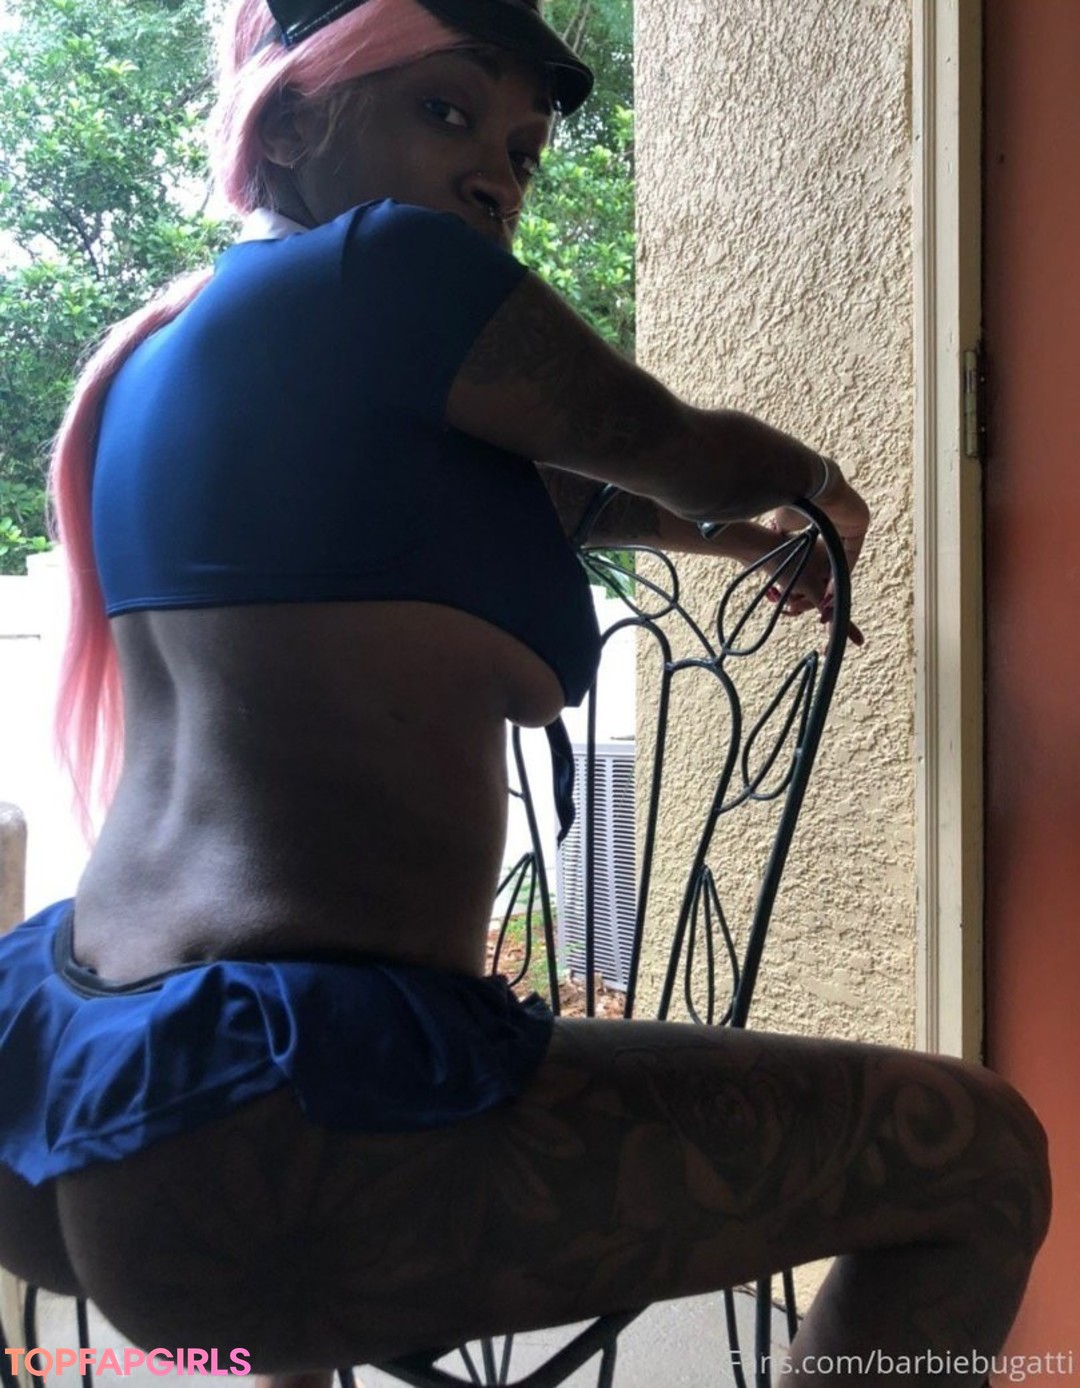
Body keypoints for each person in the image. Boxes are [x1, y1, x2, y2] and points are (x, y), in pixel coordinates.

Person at [0, 1, 1049, 1384]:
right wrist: (816, 491)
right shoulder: (390, 264)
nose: (497, 171)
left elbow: (545, 494)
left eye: (522, 150)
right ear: (294, 122)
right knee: (979, 1158)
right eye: (447, 110)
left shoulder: (177, 350)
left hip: (86, 1057)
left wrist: (730, 546)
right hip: (281, 1112)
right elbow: (672, 445)